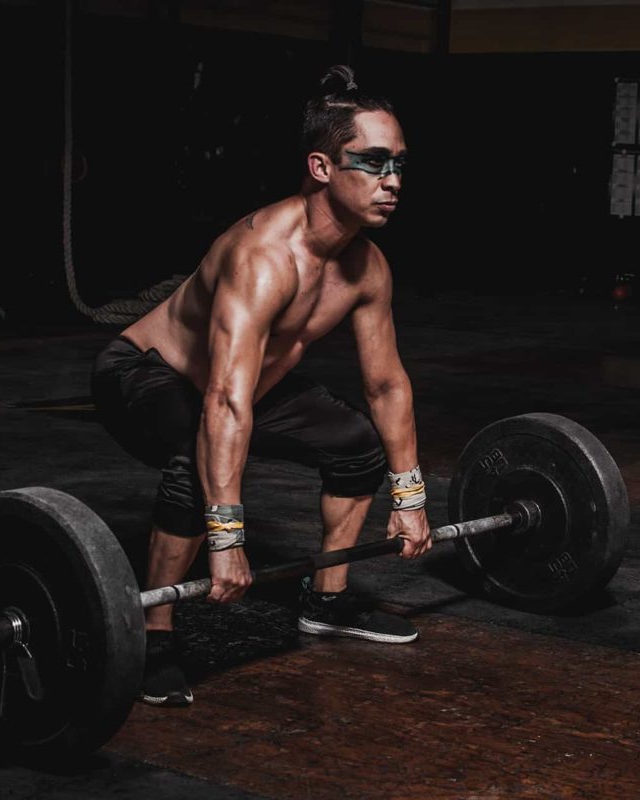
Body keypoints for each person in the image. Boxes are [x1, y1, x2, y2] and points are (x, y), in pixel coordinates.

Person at [91, 64, 431, 707]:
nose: (392, 181)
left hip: (247, 383)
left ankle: (326, 600)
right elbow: (221, 400)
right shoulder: (264, 257)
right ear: (323, 167)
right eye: (374, 161)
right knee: (197, 466)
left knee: (356, 445)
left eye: (400, 164)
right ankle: (156, 634)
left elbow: (386, 386)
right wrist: (228, 538)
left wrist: (409, 492)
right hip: (144, 374)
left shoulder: (368, 268)